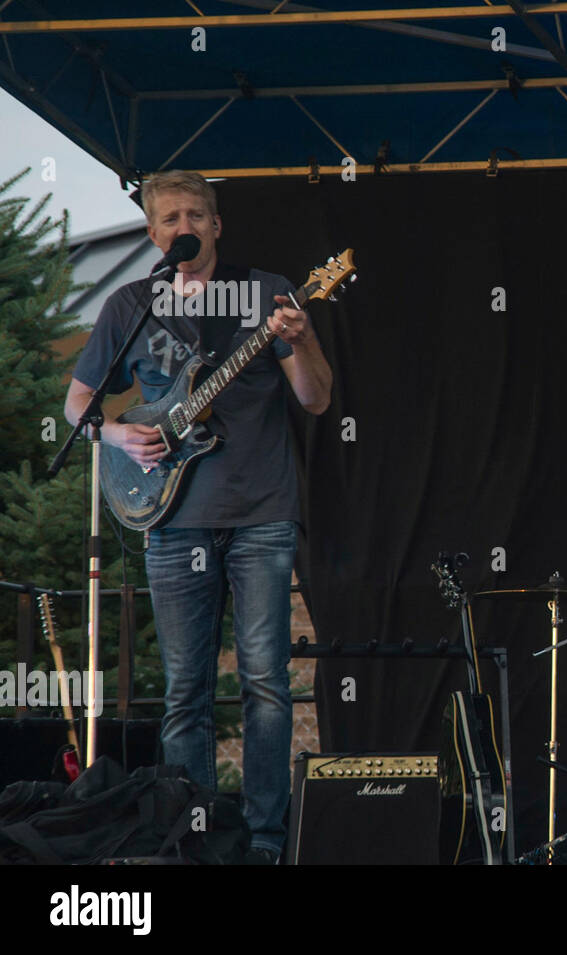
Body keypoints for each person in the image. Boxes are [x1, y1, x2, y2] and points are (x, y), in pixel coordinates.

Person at [64, 170, 333, 864]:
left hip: (261, 513)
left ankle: (266, 840)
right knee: (186, 691)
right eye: (170, 217)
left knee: (266, 683)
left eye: (196, 214)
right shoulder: (130, 304)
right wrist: (120, 435)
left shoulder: (269, 292)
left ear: (216, 225)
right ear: (155, 234)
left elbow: (316, 399)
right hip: (171, 513)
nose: (184, 225)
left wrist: (299, 339)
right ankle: (197, 838)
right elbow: (78, 406)